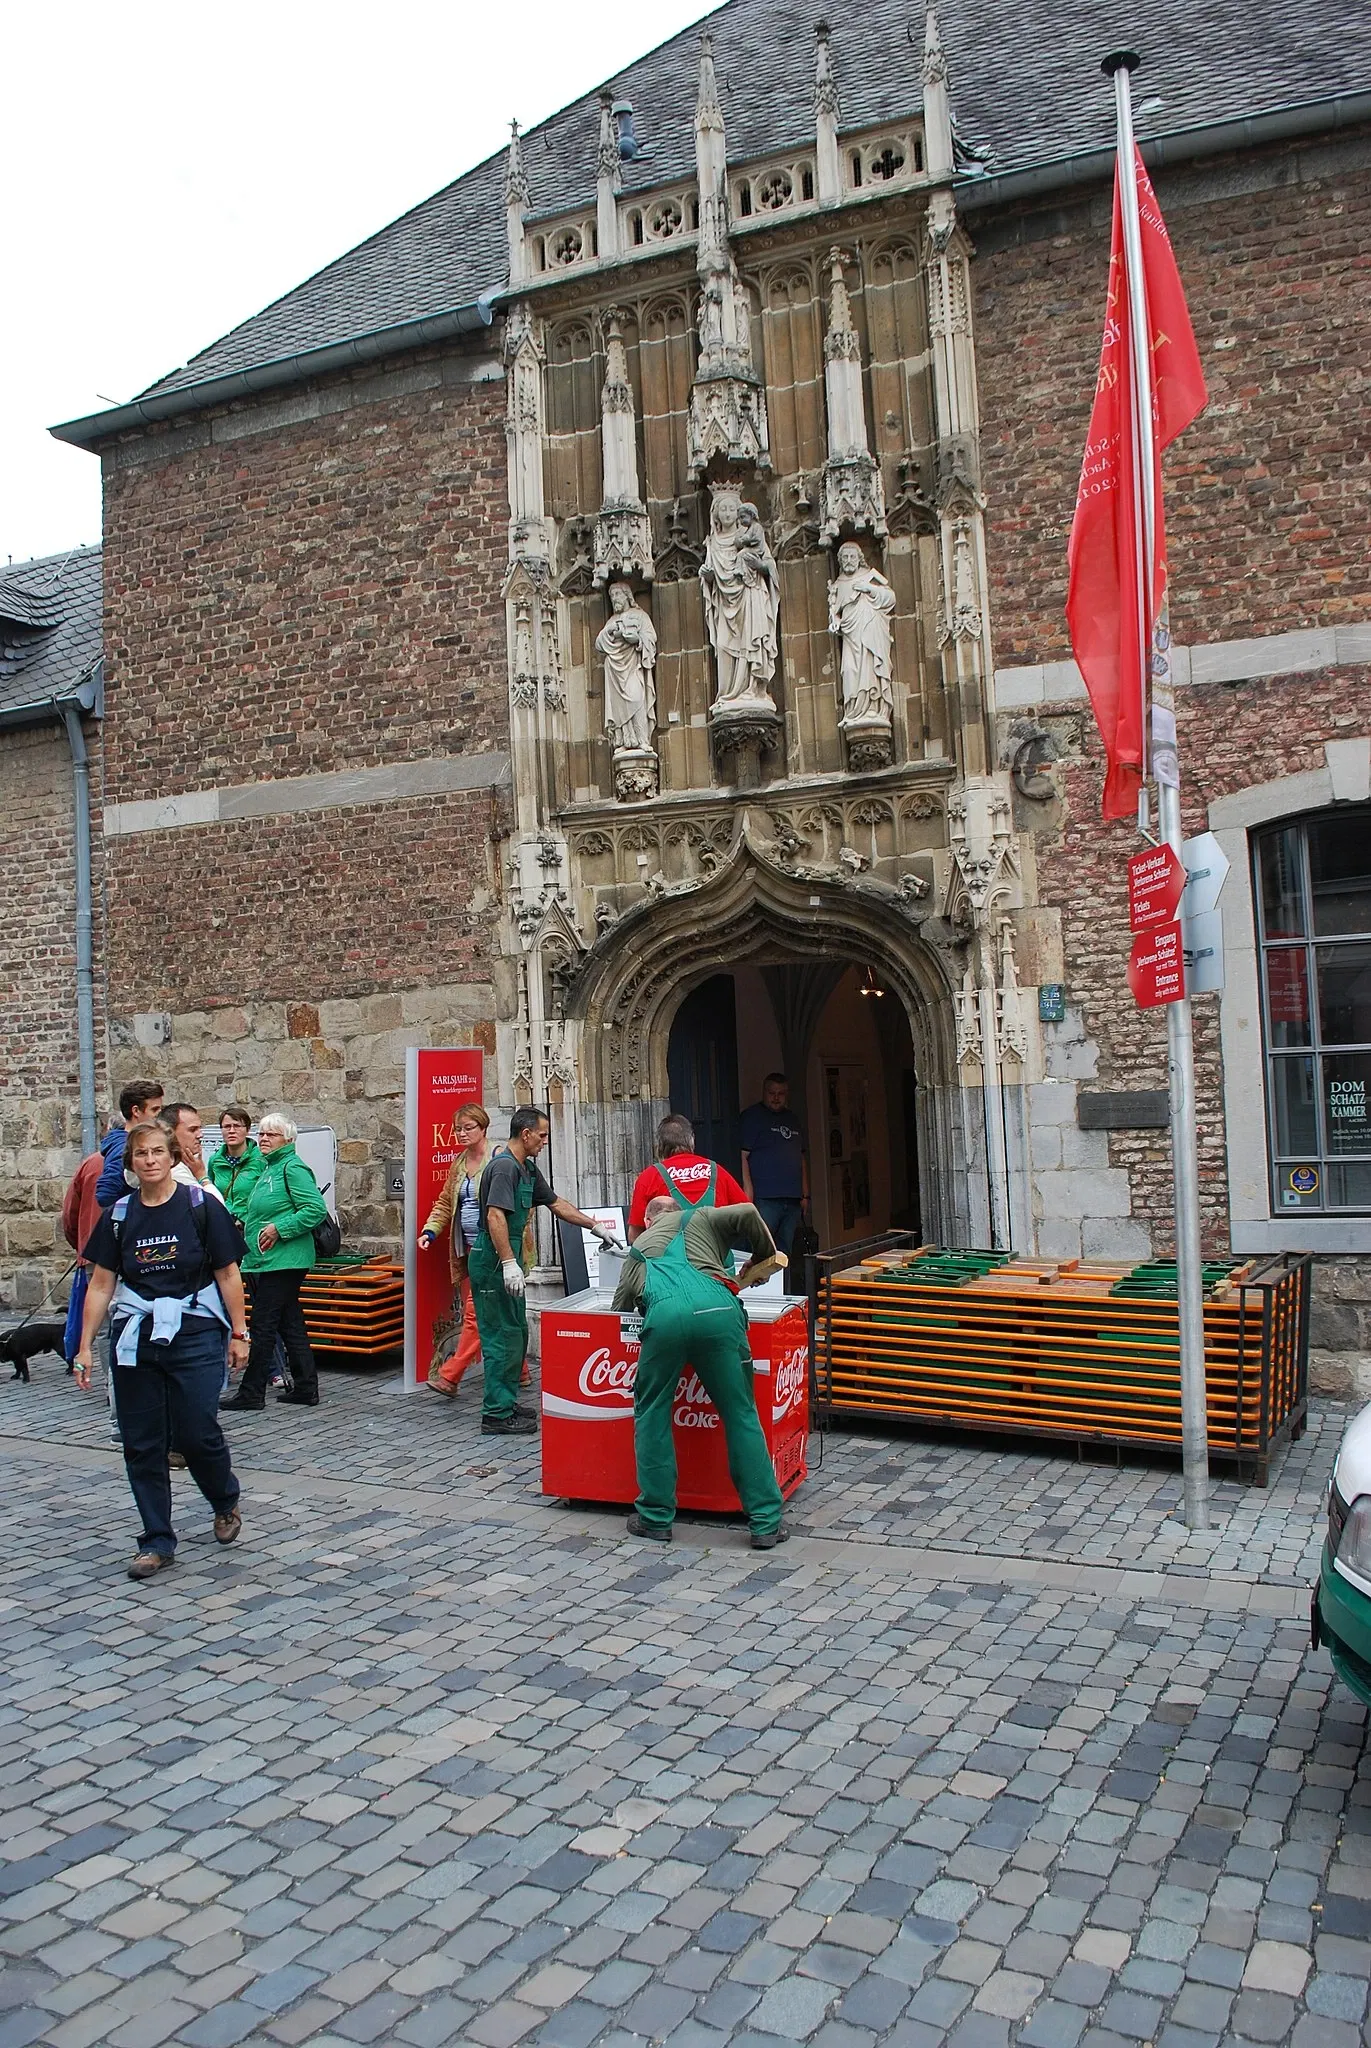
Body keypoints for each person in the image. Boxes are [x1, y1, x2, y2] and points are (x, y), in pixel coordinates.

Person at [73, 1120, 247, 1580]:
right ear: (131, 1162)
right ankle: (156, 1539)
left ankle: (223, 1499)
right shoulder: (119, 1214)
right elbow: (101, 1285)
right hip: (137, 1338)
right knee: (142, 1442)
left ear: (171, 1157)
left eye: (156, 1152)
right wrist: (85, 1346)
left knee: (196, 1432)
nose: (149, 1160)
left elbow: (229, 1273)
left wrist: (239, 1332)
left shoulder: (200, 1207)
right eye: (140, 1154)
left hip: (195, 1332)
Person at [612, 1194, 787, 1548]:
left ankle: (655, 1517)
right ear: (680, 1212)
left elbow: (617, 1313)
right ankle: (765, 1522)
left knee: (652, 1412)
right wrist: (762, 1258)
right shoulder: (702, 1216)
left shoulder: (637, 1250)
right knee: (740, 1413)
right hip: (720, 1313)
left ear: (647, 1222)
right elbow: (750, 1211)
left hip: (664, 1322)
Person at [469, 1108, 622, 1437]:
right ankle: (496, 1413)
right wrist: (509, 1262)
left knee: (517, 1332)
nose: (546, 1142)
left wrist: (595, 1226)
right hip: (492, 1260)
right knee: (501, 1337)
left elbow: (555, 1203)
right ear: (525, 1134)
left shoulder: (526, 1169)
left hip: (505, 1260)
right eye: (542, 1135)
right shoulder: (503, 1168)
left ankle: (506, 1402)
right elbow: (495, 1217)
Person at [221, 1114, 327, 1412]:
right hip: (267, 1260)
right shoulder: (270, 1167)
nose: (264, 1139)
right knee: (289, 1322)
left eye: (272, 1134)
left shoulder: (291, 1168)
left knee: (264, 1325)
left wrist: (280, 1228)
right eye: (262, 1134)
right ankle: (306, 1386)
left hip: (284, 1260)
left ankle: (252, 1392)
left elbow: (314, 1208)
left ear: (288, 1140)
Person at [419, 1103, 495, 1398]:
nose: (462, 1134)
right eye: (458, 1129)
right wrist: (430, 1231)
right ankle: (520, 1371)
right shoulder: (460, 1163)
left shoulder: (497, 1158)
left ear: (483, 1127)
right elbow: (445, 1203)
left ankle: (450, 1375)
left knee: (477, 1312)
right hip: (468, 1249)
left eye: (468, 1128)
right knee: (500, 1314)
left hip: (493, 1249)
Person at [627, 1113, 747, 1242]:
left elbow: (635, 1237)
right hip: (716, 1260)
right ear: (692, 1140)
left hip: (669, 1260)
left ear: (660, 1145)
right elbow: (748, 1216)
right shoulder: (717, 1171)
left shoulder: (649, 1177)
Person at [739, 1073, 809, 1258]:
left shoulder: (793, 1118)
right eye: (772, 1093)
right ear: (764, 1092)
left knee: (785, 1253)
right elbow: (743, 1155)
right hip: (765, 1197)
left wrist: (805, 1193)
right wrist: (748, 1190)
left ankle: (783, 1287)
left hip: (792, 1198)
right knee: (761, 1251)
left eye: (781, 1093)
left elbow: (801, 1157)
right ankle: (759, 1287)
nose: (776, 1098)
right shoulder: (752, 1117)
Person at [61, 1146, 106, 1366]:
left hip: (92, 1252)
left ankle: (113, 1388)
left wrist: (81, 1247)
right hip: (117, 1254)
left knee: (105, 1326)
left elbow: (70, 1215)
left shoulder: (91, 1163)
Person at [94, 1080, 164, 1208]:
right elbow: (105, 1194)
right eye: (154, 1109)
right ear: (136, 1111)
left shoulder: (131, 1142)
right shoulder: (124, 1147)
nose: (159, 1115)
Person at [208, 1106, 265, 1221]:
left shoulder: (261, 1159)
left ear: (247, 1130)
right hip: (224, 1222)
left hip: (251, 1224)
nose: (232, 1131)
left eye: (237, 1126)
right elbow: (210, 1192)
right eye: (227, 1127)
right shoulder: (215, 1161)